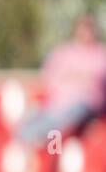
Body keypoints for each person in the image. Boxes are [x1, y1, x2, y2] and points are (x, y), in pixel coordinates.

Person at [17, 15, 106, 146]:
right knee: (33, 114)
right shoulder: (63, 53)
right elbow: (48, 79)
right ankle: (28, 138)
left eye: (89, 29)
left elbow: (97, 82)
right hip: (58, 104)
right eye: (83, 28)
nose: (86, 33)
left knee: (68, 114)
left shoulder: (101, 54)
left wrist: (76, 79)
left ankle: (40, 138)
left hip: (84, 105)